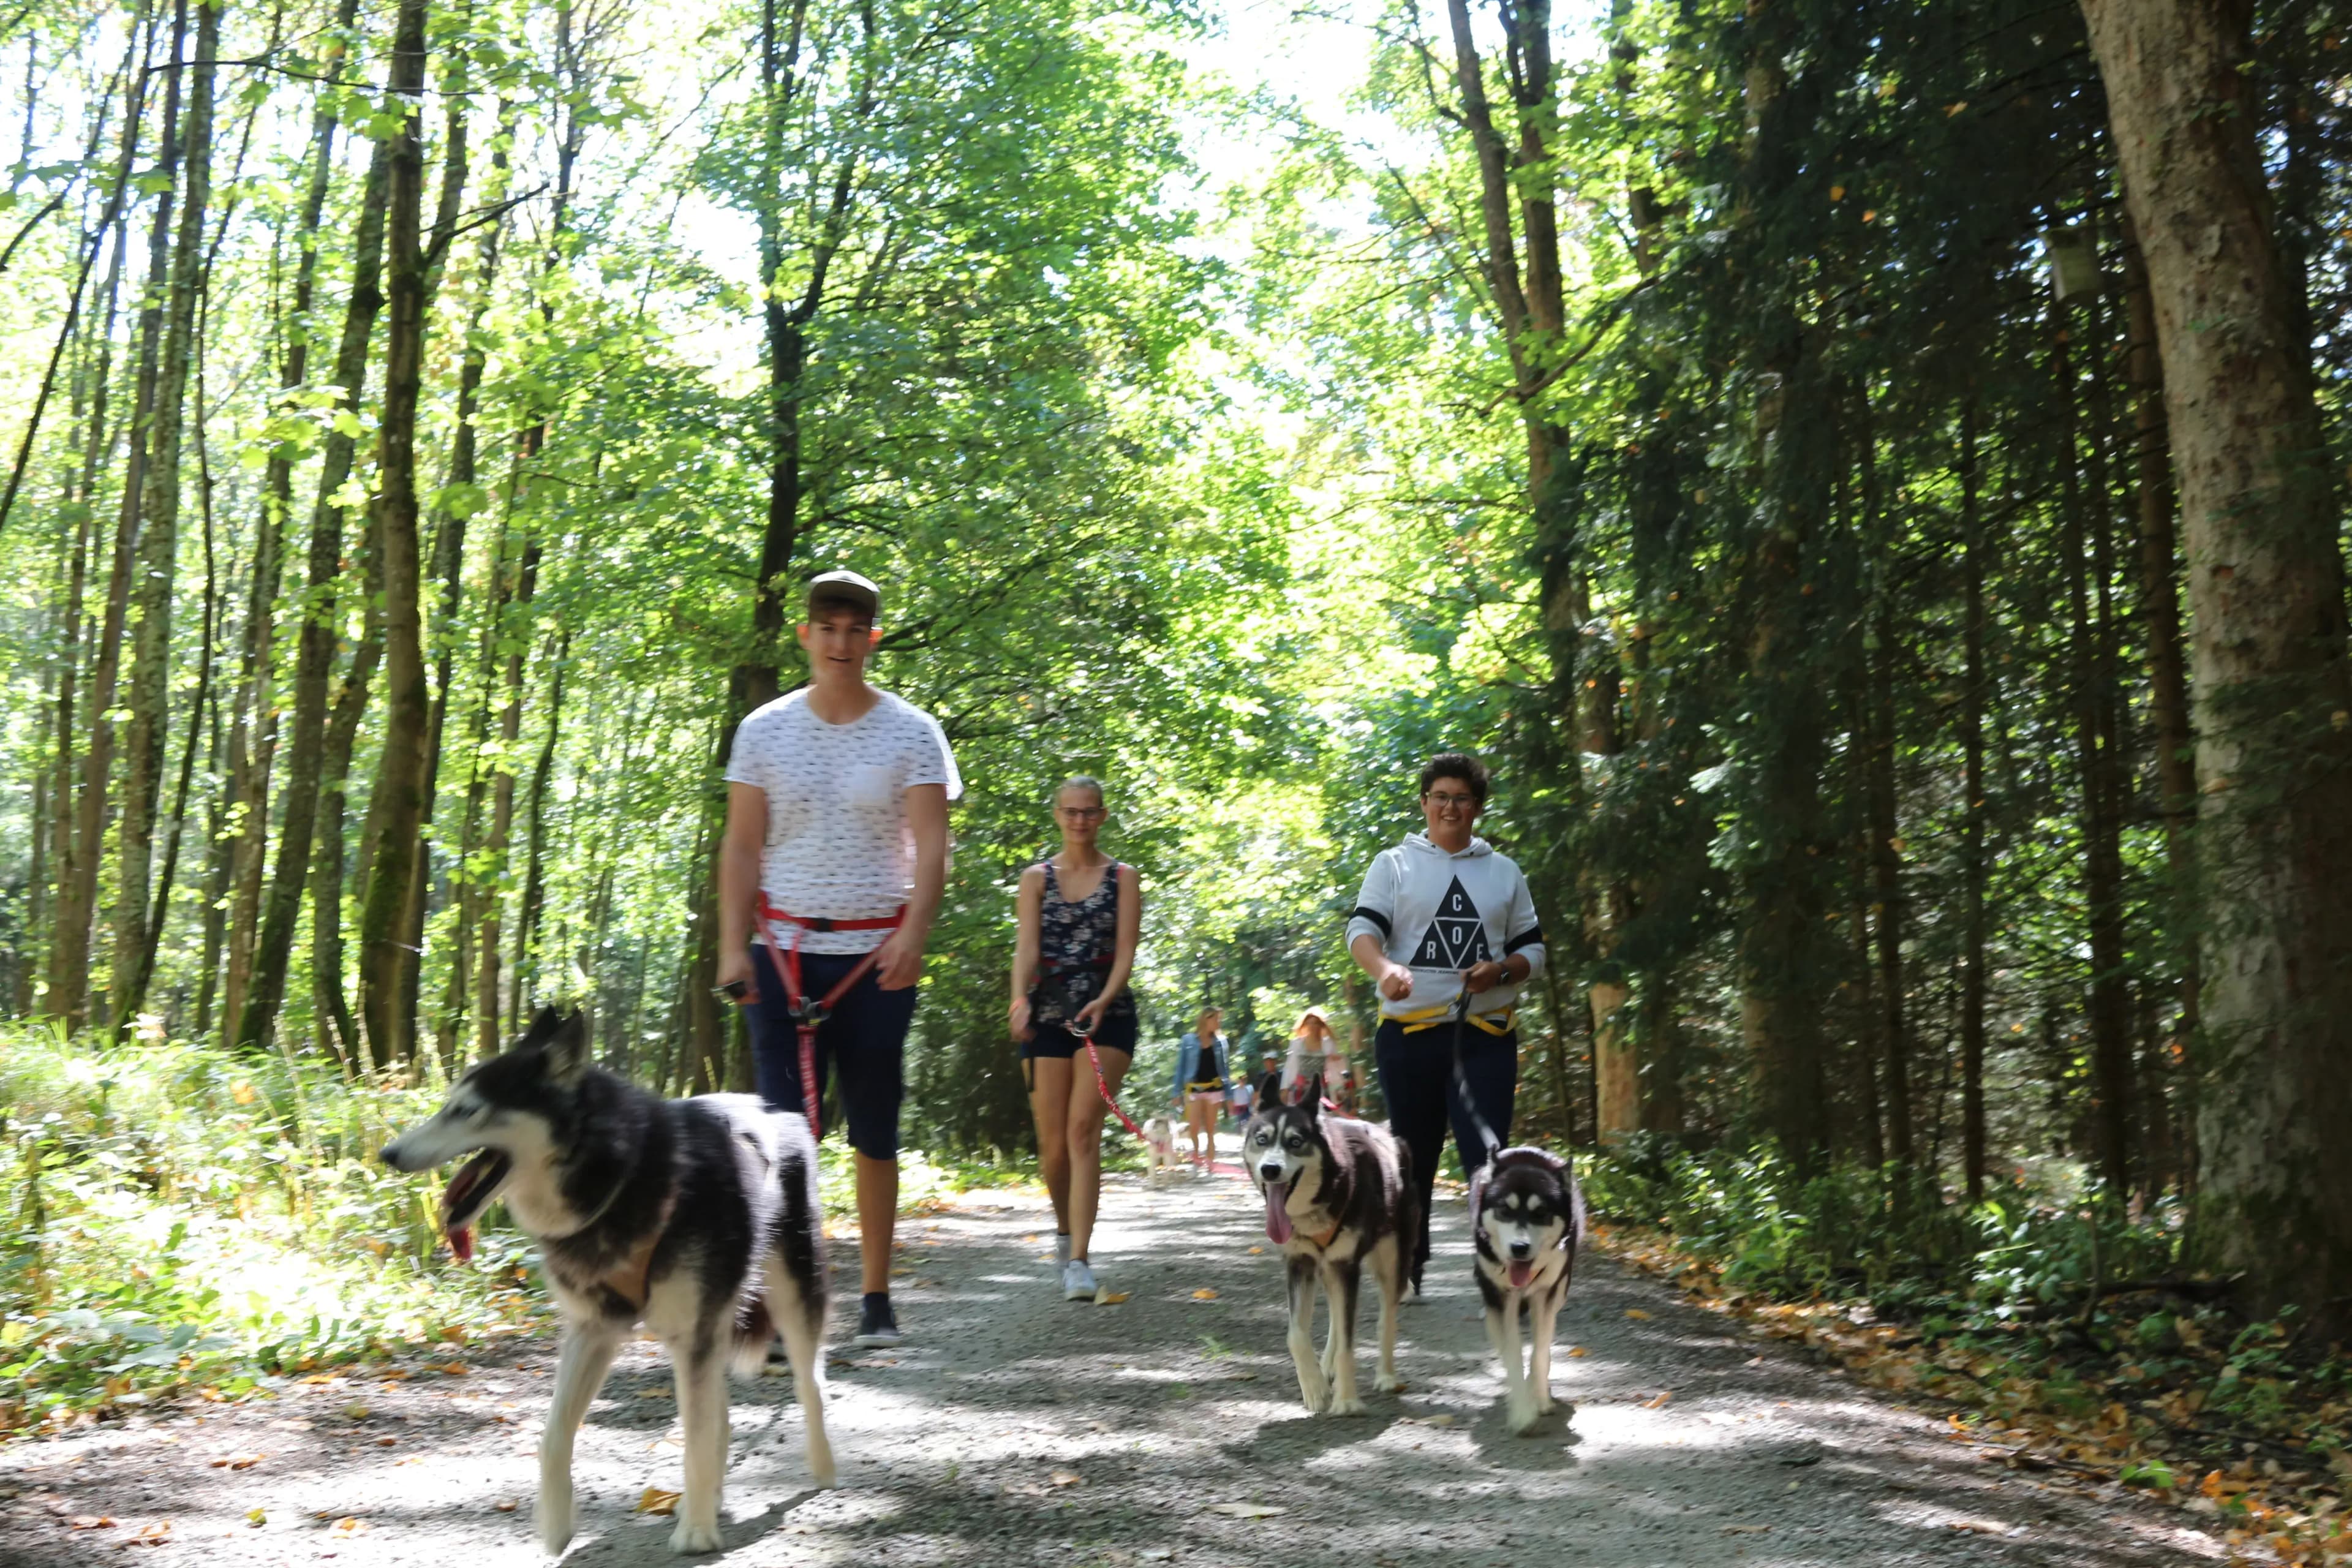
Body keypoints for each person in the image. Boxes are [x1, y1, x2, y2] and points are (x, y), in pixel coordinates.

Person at [717, 570, 960, 1349]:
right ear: (805, 636)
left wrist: (913, 936)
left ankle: (878, 1298)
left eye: (857, 630)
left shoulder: (913, 732)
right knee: (784, 1137)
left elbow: (932, 847)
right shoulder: (762, 729)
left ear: (874, 639)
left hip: (875, 956)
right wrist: (732, 945)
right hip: (782, 953)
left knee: (875, 1126)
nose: (842, 643)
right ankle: (787, 1303)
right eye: (828, 628)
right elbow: (743, 843)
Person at [1344, 750, 1544, 1280]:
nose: (1449, 807)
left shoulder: (1504, 873)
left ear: (1477, 807)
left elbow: (1535, 953)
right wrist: (1385, 969)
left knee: (1487, 1155)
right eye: (1440, 797)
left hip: (1485, 1035)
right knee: (1414, 1153)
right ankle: (1411, 1255)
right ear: (1424, 803)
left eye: (1461, 798)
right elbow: (1361, 933)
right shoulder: (1394, 864)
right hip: (1408, 1035)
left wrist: (1500, 972)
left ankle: (1498, 1266)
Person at [1008, 777, 1142, 1302]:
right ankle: (1064, 1234)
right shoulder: (1035, 878)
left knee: (1083, 1130)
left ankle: (1082, 1260)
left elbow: (1127, 951)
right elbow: (1025, 948)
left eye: (1089, 812)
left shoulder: (1123, 877)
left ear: (1103, 816)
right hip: (1046, 1012)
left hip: (1106, 1014)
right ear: (1058, 814)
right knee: (1053, 1144)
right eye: (1071, 811)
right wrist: (1018, 1001)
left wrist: (1105, 999)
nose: (1080, 820)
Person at [1170, 1008, 1229, 1168]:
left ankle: (1210, 1162)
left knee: (1211, 1130)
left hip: (1214, 1090)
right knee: (1194, 1127)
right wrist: (1176, 1092)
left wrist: (1229, 1096)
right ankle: (1196, 1155)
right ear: (1206, 1020)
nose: (1218, 1023)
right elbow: (1180, 1068)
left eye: (1219, 1020)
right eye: (1216, 1020)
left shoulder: (1221, 1042)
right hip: (1194, 1090)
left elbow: (1225, 1070)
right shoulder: (1188, 1041)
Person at [1280, 1006, 1346, 1104]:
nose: (1312, 1026)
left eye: (1315, 1023)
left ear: (1321, 1025)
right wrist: (1285, 1089)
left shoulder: (1328, 1044)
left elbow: (1335, 1068)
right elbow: (1290, 1067)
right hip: (1299, 1088)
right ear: (1305, 1025)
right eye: (1309, 1023)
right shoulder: (1297, 1043)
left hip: (1320, 1089)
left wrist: (1340, 1088)